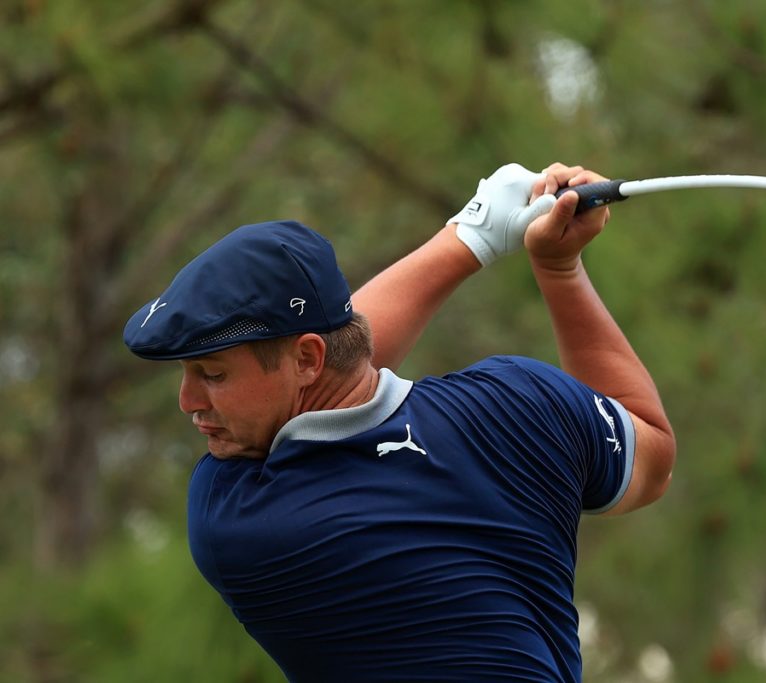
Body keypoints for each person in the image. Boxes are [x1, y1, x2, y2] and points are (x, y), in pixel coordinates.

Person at [123, 162, 675, 682]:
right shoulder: (523, 403)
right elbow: (651, 453)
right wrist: (558, 268)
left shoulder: (238, 511)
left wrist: (470, 236)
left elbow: (333, 375)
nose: (188, 401)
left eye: (212, 375)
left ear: (310, 359)